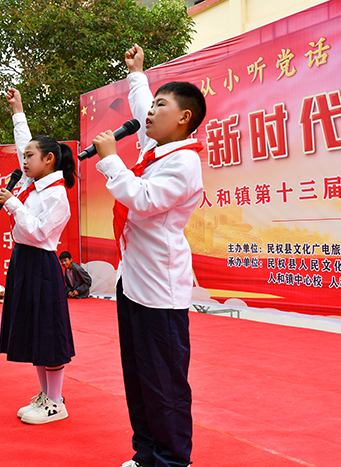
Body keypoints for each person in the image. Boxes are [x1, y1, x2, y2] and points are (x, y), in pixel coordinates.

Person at [91, 44, 207, 467]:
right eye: (153, 104)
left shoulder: (183, 165)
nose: (150, 112)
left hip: (161, 290)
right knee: (138, 379)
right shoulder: (156, 151)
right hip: (134, 283)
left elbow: (140, 199)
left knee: (164, 384)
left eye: (162, 106)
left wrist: (109, 162)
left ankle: (173, 460)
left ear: (184, 119)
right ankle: (146, 454)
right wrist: (137, 73)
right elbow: (143, 108)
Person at [0, 88, 76, 425]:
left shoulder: (57, 196)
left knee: (48, 333)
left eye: (30, 156)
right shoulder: (37, 184)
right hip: (24, 262)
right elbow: (23, 143)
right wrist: (18, 111)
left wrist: (12, 203)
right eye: (24, 156)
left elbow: (41, 233)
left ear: (49, 160)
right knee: (33, 332)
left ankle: (56, 402)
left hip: (41, 263)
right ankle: (46, 396)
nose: (23, 160)